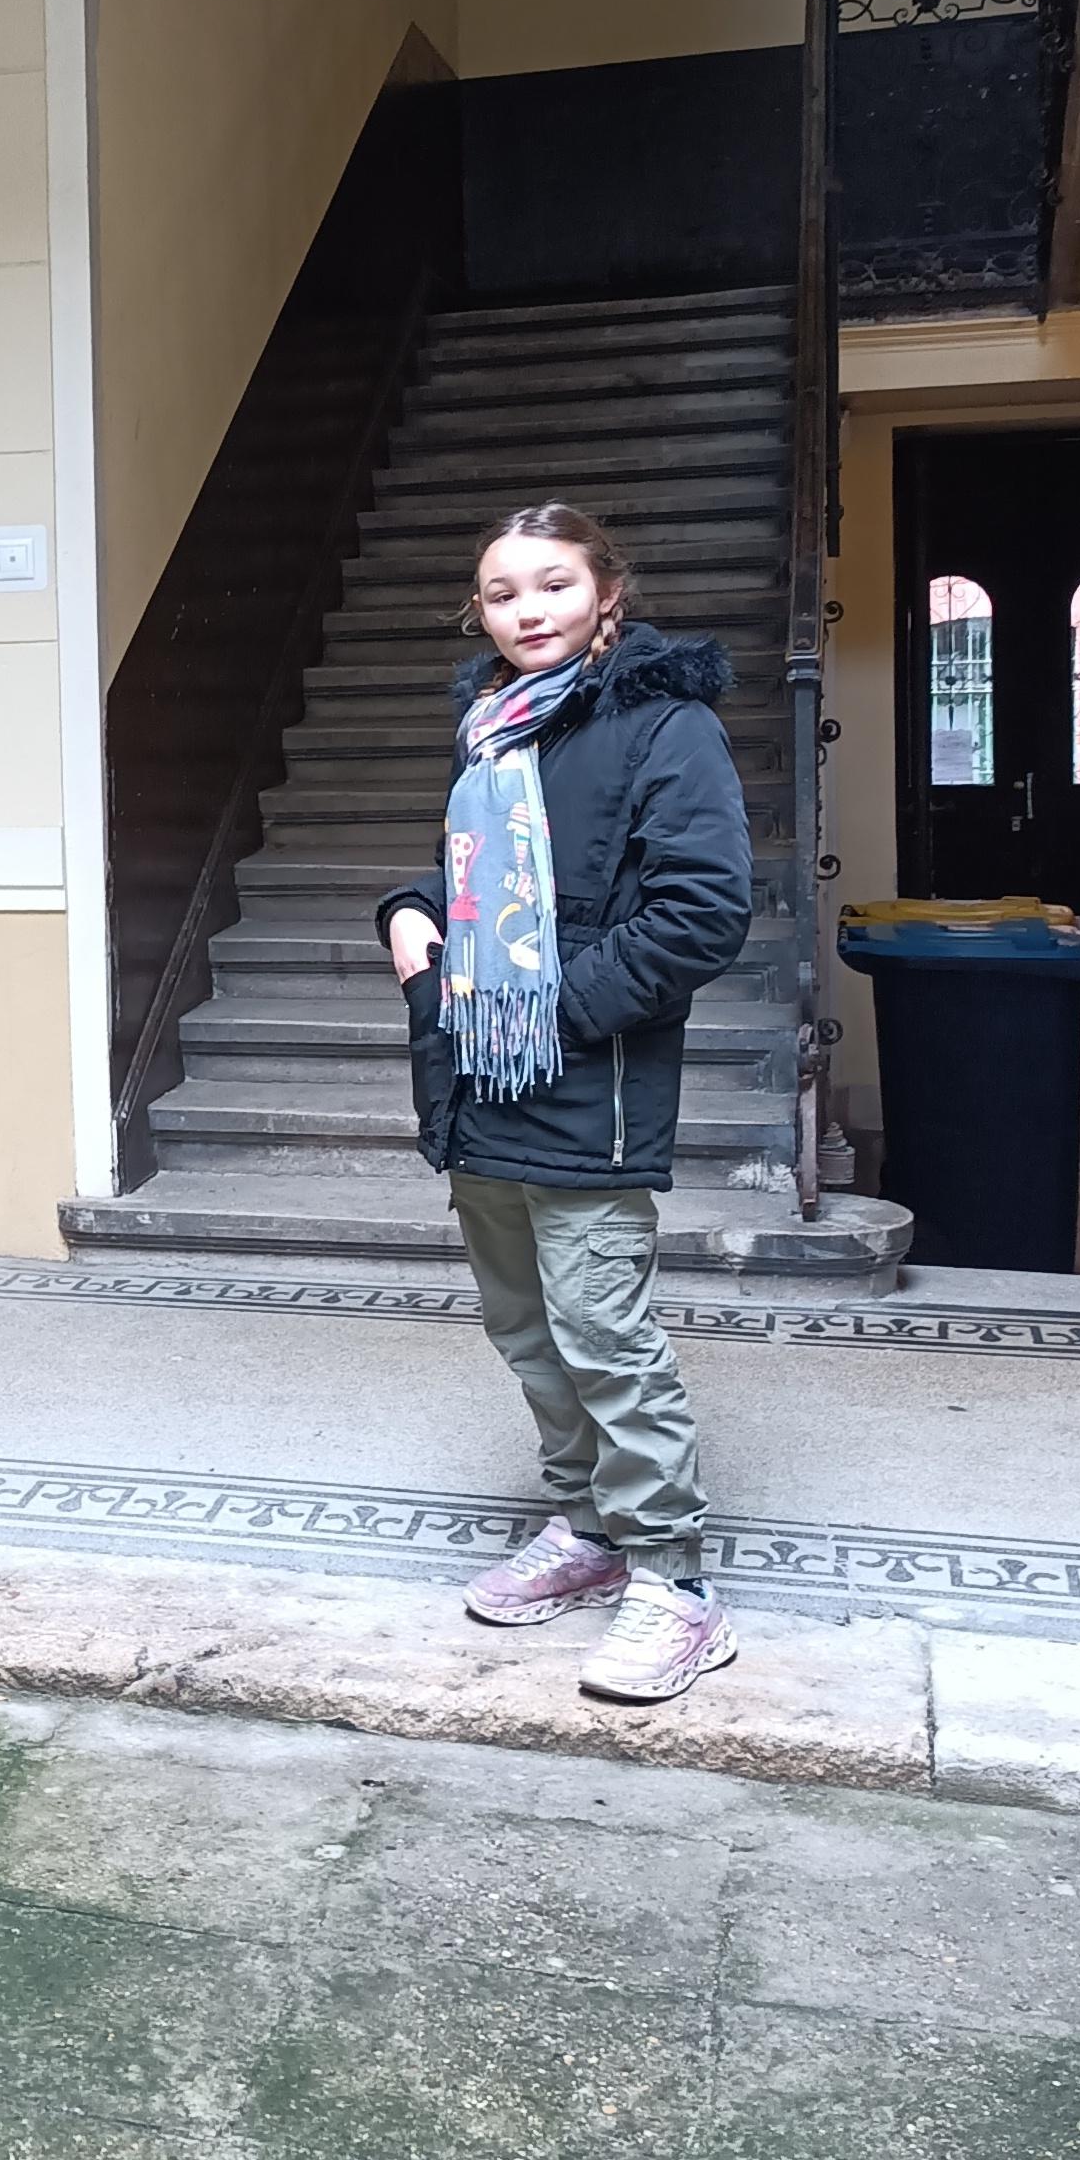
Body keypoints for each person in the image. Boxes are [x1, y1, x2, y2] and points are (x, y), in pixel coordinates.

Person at [377, 502, 754, 1705]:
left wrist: (557, 1008)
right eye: (501, 591)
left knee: (602, 1329)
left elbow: (700, 911)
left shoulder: (666, 723)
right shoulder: (490, 728)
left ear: (606, 592)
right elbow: (472, 875)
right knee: (525, 1325)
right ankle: (588, 1528)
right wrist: (408, 911)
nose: (526, 608)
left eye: (550, 584)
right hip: (478, 1074)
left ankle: (676, 1582)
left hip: (592, 1081)